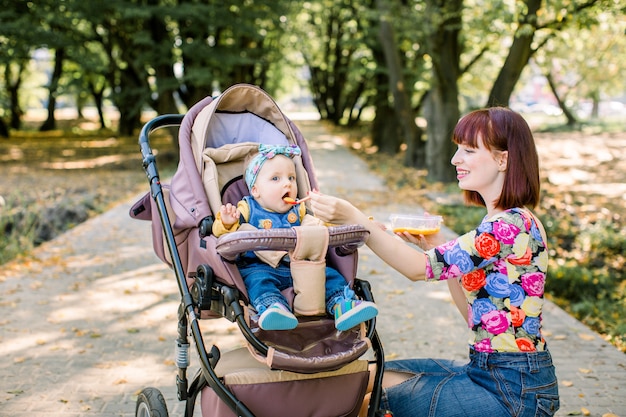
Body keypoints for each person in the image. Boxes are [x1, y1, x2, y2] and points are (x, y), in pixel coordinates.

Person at [309, 107, 560, 417]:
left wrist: (358, 221)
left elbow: (417, 269)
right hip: (492, 374)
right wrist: (442, 251)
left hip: (513, 391)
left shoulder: (510, 224)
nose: (455, 159)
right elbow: (474, 317)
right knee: (364, 378)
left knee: (372, 399)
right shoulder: (499, 222)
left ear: (502, 159)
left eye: (468, 150)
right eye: (458, 149)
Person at [213, 144, 378, 331]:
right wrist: (226, 222)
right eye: (276, 178)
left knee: (330, 275)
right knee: (257, 281)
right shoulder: (246, 209)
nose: (288, 184)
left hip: (301, 264)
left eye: (291, 177)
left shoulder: (298, 210)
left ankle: (343, 305)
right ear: (255, 190)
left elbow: (323, 225)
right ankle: (274, 308)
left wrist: (363, 223)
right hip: (261, 267)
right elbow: (221, 233)